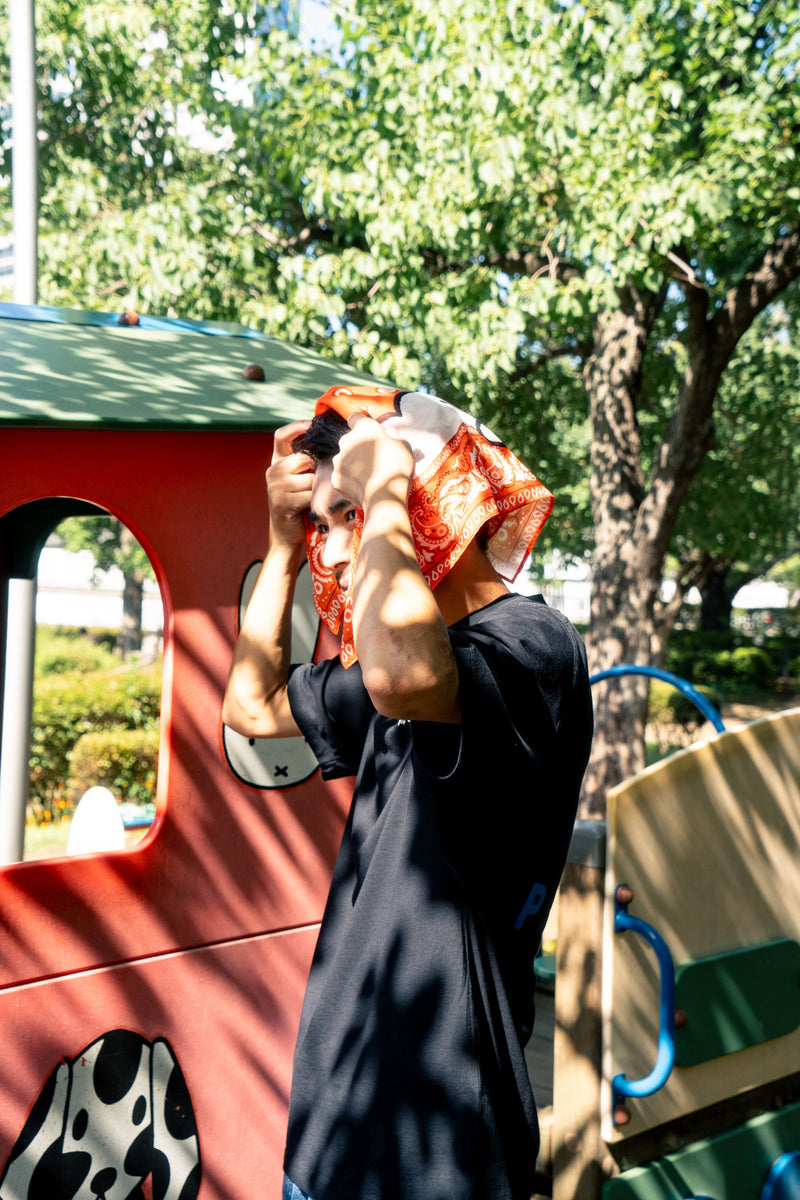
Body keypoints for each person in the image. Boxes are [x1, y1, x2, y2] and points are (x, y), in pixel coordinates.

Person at [223, 385, 593, 1200]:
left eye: (344, 520)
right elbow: (250, 709)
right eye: (330, 526)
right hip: (329, 1135)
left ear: (431, 497)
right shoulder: (415, 666)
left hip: (434, 1153)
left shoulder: (531, 648)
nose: (337, 553)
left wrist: (381, 488)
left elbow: (403, 676)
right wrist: (281, 550)